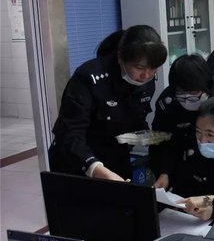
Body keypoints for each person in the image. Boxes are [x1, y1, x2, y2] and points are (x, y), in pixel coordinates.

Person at [49, 25, 167, 181]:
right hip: (76, 159)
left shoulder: (146, 81)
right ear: (120, 58)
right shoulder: (89, 77)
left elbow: (136, 118)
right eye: (140, 68)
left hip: (115, 155)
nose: (146, 75)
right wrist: (94, 167)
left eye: (153, 68)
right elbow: (71, 132)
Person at [150, 54, 214, 190]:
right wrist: (164, 173)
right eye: (181, 94)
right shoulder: (167, 102)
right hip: (180, 160)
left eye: (194, 94)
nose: (187, 100)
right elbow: (161, 142)